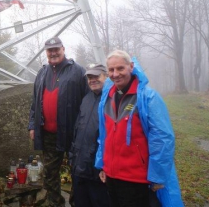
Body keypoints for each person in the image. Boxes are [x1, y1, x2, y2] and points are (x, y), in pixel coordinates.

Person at [95, 50, 184, 207]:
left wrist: (158, 176)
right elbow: (104, 136)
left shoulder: (148, 97)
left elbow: (162, 138)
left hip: (136, 179)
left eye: (120, 68)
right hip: (111, 176)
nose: (115, 74)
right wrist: (102, 164)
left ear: (131, 67)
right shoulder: (106, 99)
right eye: (111, 70)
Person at [28, 36, 88, 207]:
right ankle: (56, 203)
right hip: (48, 135)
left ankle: (77, 203)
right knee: (49, 173)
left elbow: (87, 102)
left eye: (56, 49)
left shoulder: (78, 71)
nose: (53, 53)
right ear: (46, 52)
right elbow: (34, 102)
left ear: (63, 49)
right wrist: (32, 125)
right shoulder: (42, 72)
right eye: (49, 50)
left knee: (77, 172)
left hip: (72, 133)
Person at [70, 64, 110, 207]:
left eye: (96, 76)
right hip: (79, 166)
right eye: (89, 77)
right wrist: (72, 156)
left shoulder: (112, 100)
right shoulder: (86, 98)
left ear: (106, 76)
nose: (92, 80)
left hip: (97, 170)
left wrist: (104, 165)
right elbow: (78, 129)